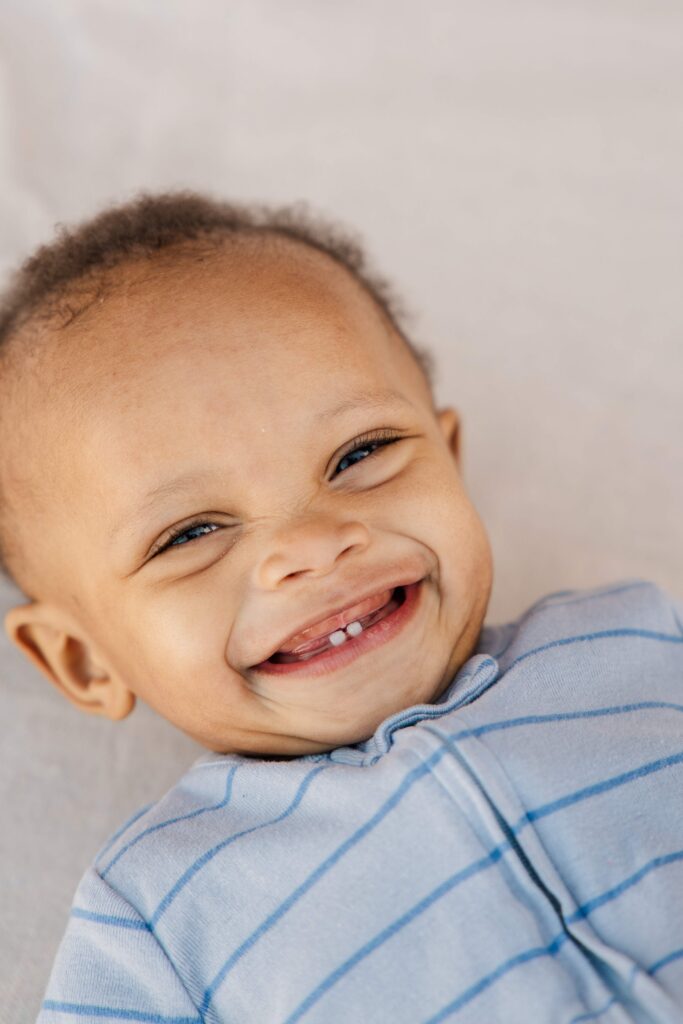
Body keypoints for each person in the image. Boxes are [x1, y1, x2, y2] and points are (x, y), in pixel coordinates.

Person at [1, 191, 681, 1023]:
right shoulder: (158, 911)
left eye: (361, 453)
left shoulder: (634, 642)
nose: (314, 545)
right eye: (191, 533)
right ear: (83, 660)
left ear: (449, 461)